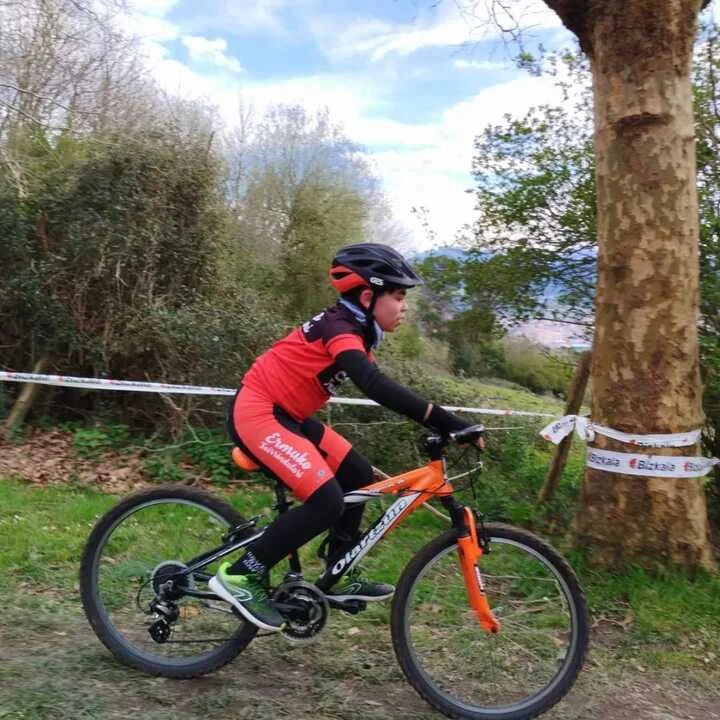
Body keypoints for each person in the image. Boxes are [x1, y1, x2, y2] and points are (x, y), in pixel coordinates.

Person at [209, 243, 481, 631]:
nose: (404, 307)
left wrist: (443, 422)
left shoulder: (357, 331)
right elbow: (373, 384)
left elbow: (378, 383)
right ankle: (241, 575)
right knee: (327, 502)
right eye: (398, 296)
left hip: (289, 416)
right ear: (368, 297)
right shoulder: (340, 329)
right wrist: (445, 421)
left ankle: (338, 566)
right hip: (259, 412)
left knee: (358, 476)